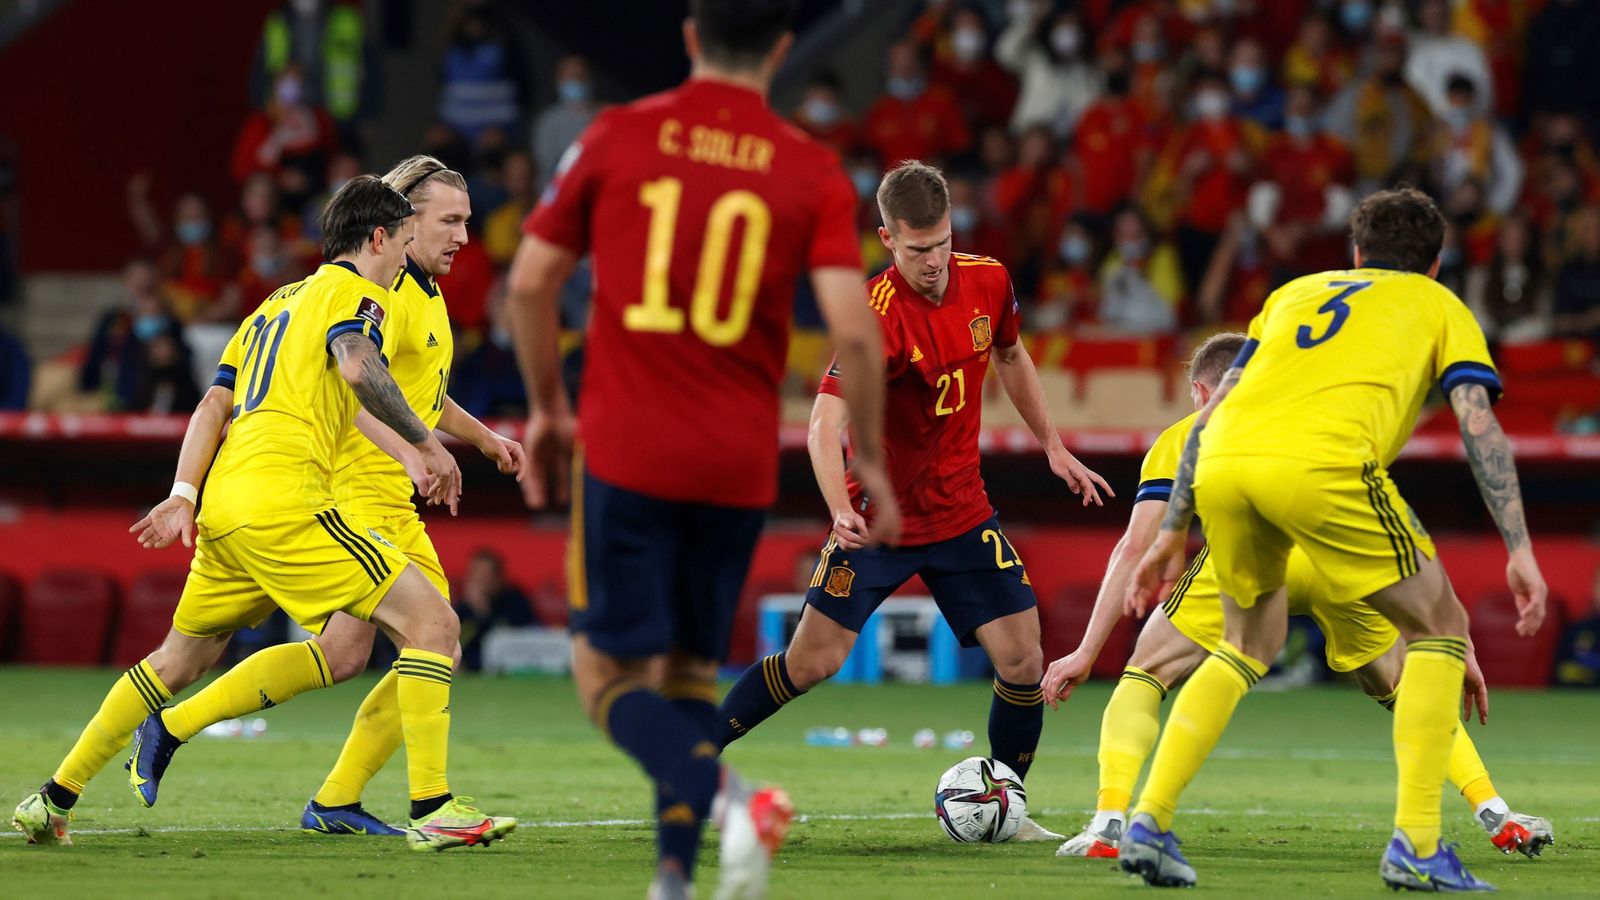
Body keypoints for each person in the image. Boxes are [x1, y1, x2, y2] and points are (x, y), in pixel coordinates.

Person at [505, 2, 900, 897]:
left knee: (603, 675)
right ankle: (674, 879)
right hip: (733, 467)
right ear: (783, 50)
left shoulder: (617, 136)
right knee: (686, 673)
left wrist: (546, 408)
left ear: (689, 37)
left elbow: (530, 284)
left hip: (627, 452)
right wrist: (867, 452)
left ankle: (729, 800)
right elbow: (857, 332)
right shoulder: (808, 166)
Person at [11, 176, 516, 852]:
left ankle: (51, 799)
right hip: (290, 500)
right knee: (434, 624)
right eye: (401, 242)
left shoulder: (277, 302)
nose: (403, 260)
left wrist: (183, 493)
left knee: (177, 660)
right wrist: (424, 444)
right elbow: (358, 362)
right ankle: (432, 808)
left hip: (225, 503)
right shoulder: (356, 293)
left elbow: (213, 405)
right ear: (376, 238)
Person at [1122, 187, 1547, 890]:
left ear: (1355, 255)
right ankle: (1417, 842)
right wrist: (1521, 547)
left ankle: (1150, 820)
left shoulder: (1292, 294)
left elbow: (1213, 411)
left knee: (1245, 644)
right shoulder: (1441, 305)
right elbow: (1478, 424)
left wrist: (1174, 528)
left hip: (1224, 462)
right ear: (1436, 265)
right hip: (1324, 464)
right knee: (1442, 627)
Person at [714, 160, 1113, 844]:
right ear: (886, 239)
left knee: (1022, 657)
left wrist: (1050, 443)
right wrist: (840, 507)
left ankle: (1006, 806)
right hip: (879, 521)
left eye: (940, 244)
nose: (932, 263)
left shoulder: (987, 279)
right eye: (916, 249)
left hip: (962, 511)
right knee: (813, 662)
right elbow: (824, 425)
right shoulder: (875, 318)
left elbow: (1013, 357)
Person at [1046, 332, 1553, 863]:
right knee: (1405, 686)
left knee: (1146, 674)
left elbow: (1134, 548)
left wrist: (1086, 651)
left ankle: (1109, 825)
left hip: (1247, 561)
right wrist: (1454, 635)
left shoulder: (1182, 438)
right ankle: (1495, 813)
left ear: (1200, 390)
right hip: (1333, 560)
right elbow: (1394, 524)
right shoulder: (1323, 423)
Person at [456, 548, 537, 672]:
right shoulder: (464, 606)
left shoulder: (513, 599)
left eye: (484, 574)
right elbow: (460, 643)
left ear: (497, 576)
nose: (479, 580)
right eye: (475, 573)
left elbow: (516, 635)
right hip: (472, 668)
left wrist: (483, 611)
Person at [532, 55, 598, 185]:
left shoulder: (603, 116)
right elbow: (545, 165)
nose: (576, 83)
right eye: (571, 78)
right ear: (559, 82)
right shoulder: (548, 122)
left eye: (580, 77)